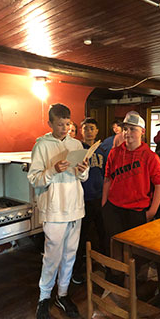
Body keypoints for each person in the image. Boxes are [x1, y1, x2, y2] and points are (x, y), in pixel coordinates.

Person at [27, 103, 89, 319]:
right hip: (54, 208)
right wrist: (53, 170)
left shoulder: (76, 144)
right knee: (52, 256)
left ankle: (62, 294)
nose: (65, 128)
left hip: (75, 206)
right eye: (60, 124)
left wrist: (84, 170)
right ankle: (44, 298)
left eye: (68, 124)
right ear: (50, 123)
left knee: (70, 254)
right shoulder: (41, 145)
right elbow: (34, 179)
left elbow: (83, 177)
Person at [102, 111, 160, 257]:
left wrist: (152, 212)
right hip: (114, 209)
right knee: (113, 248)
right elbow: (108, 178)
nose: (127, 133)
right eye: (125, 129)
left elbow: (159, 185)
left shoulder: (150, 156)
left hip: (136, 211)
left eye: (132, 129)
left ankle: (131, 279)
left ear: (142, 132)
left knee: (134, 253)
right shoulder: (114, 153)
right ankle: (113, 276)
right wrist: (104, 204)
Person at [72, 117, 106, 284]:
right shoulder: (78, 149)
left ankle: (105, 264)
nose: (89, 131)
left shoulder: (101, 150)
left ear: (97, 131)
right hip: (83, 200)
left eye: (92, 128)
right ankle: (76, 270)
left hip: (99, 198)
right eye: (85, 129)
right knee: (80, 236)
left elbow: (106, 175)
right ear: (81, 131)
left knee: (102, 234)